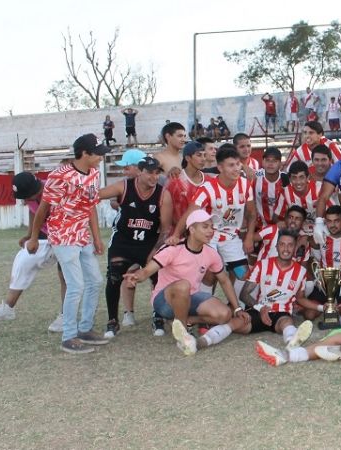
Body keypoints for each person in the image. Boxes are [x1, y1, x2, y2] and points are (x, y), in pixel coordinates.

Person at [26, 134, 110, 354]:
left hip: (82, 236)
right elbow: (43, 209)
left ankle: (84, 329)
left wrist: (97, 237)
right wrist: (34, 237)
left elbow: (90, 206)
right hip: (62, 236)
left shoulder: (93, 173)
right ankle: (69, 336)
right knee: (76, 285)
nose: (101, 157)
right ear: (84, 153)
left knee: (95, 281)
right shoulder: (59, 176)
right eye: (98, 153)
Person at [124, 210, 245, 355]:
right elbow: (146, 271)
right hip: (164, 301)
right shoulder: (173, 249)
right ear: (192, 230)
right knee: (183, 286)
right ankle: (183, 334)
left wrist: (237, 309)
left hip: (191, 297)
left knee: (224, 314)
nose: (210, 231)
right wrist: (135, 277)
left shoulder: (211, 253)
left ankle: (182, 320)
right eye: (205, 227)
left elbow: (224, 280)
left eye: (212, 227)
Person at [168, 146, 257, 299]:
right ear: (220, 167)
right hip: (210, 236)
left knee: (242, 273)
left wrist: (249, 236)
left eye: (238, 164)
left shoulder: (245, 184)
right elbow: (190, 213)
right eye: (231, 165)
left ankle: (236, 307)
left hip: (231, 237)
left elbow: (252, 213)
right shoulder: (207, 189)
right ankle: (204, 307)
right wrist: (176, 234)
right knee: (209, 274)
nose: (236, 168)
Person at [98, 157, 172, 338]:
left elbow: (165, 229)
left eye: (157, 173)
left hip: (149, 243)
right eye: (149, 172)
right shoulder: (124, 186)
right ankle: (112, 321)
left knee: (157, 278)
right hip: (123, 242)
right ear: (140, 172)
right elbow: (97, 195)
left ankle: (158, 316)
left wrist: (156, 250)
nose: (154, 177)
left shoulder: (163, 194)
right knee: (114, 277)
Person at [0, 172, 66, 331]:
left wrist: (37, 238)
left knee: (65, 274)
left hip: (66, 234)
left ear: (36, 190)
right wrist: (31, 235)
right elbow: (33, 211)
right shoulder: (31, 194)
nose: (23, 201)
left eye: (25, 197)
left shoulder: (55, 190)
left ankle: (66, 316)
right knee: (22, 260)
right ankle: (8, 309)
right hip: (44, 233)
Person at [229, 229, 316, 347]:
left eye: (290, 245)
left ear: (295, 247)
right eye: (282, 244)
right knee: (234, 324)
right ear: (276, 246)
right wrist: (261, 309)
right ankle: (201, 342)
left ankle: (292, 344)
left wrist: (322, 308)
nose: (286, 249)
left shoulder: (301, 272)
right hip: (259, 310)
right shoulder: (262, 265)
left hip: (281, 313)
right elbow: (244, 294)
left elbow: (300, 298)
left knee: (287, 322)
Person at [254, 147, 288, 228]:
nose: (270, 164)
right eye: (267, 160)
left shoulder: (286, 179)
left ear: (280, 164)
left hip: (280, 224)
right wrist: (244, 167)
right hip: (259, 225)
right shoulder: (255, 176)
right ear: (262, 162)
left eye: (274, 161)